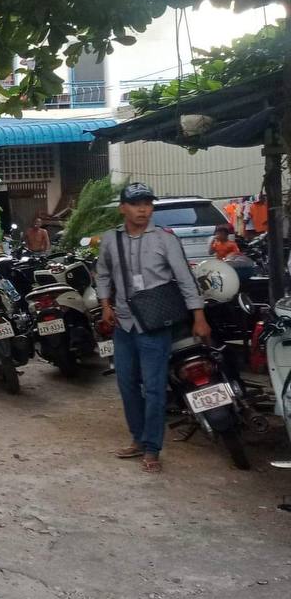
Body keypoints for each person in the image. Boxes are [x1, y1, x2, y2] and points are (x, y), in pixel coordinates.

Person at [97, 182, 209, 474]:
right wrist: (105, 305)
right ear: (123, 208)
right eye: (136, 204)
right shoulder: (111, 240)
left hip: (155, 325)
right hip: (124, 324)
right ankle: (138, 438)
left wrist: (198, 316)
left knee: (155, 387)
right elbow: (103, 275)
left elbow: (185, 279)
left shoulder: (165, 239)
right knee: (126, 384)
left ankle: (152, 448)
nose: (143, 210)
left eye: (147, 204)